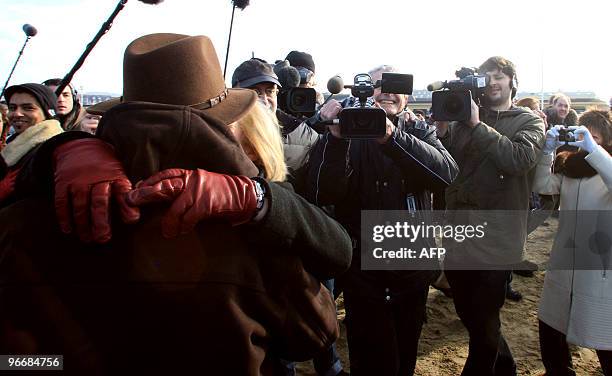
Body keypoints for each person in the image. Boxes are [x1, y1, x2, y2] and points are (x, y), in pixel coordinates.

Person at [0, 33, 352, 375]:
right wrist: (259, 199)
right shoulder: (242, 235)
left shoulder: (27, 219)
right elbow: (314, 333)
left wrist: (60, 149)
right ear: (225, 124)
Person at [306, 64, 458, 376]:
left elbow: (445, 174)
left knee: (405, 354)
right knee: (369, 356)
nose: (388, 91)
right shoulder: (344, 130)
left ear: (407, 95)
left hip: (412, 266)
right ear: (363, 91)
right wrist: (335, 139)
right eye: (378, 85)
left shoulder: (417, 130)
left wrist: (391, 137)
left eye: (396, 85)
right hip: (363, 270)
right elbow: (322, 191)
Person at [232, 59, 344, 376]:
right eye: (254, 90)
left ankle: (330, 367)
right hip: (257, 263)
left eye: (270, 90)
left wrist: (333, 145)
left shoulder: (304, 134)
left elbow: (325, 192)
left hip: (304, 248)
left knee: (321, 320)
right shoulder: (224, 136)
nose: (264, 97)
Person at [435, 56, 546, 375]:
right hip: (458, 233)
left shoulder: (528, 121)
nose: (493, 82)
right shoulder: (462, 118)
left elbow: (518, 159)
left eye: (499, 76)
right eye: (487, 77)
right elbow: (446, 164)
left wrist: (475, 125)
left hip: (497, 237)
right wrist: (442, 131)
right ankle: (506, 368)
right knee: (470, 314)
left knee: (484, 323)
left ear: (512, 81)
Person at [533, 109, 612, 376]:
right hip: (564, 262)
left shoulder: (607, 168)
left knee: (604, 337)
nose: (588, 143)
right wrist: (547, 151)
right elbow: (542, 185)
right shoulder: (571, 167)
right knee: (551, 328)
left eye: (595, 137)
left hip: (600, 270)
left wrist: (596, 152)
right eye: (583, 135)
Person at [0, 83, 63, 207]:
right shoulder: (13, 144)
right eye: (12, 108)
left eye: (28, 108)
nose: (17, 113)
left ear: (48, 113)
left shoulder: (53, 149)